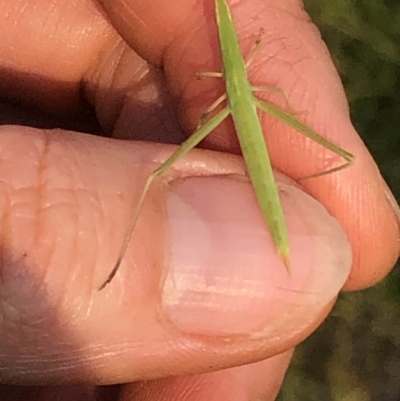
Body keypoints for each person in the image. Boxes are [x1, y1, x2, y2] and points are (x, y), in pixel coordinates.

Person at [0, 0, 398, 399]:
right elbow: (262, 79)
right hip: (245, 104)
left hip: (243, 105)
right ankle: (124, 256)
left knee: (334, 156)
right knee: (159, 171)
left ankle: (295, 214)